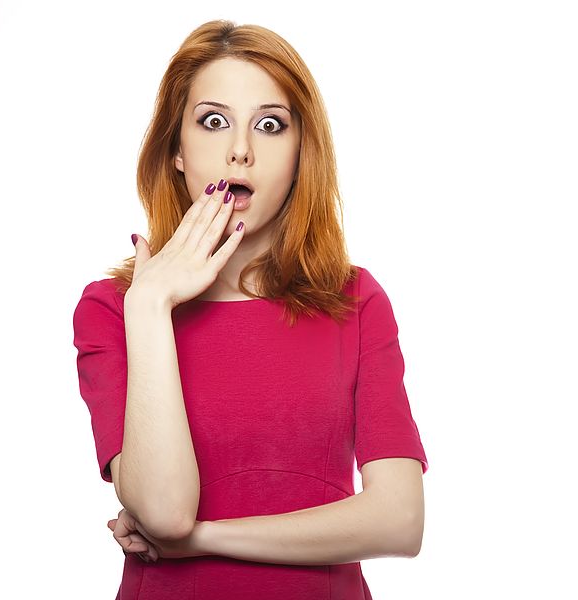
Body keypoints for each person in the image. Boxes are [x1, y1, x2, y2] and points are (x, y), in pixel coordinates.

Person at [72, 19, 429, 600]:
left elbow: (399, 520)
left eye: (270, 125)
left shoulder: (355, 301)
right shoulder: (115, 309)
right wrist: (152, 304)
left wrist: (206, 538)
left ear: (298, 154)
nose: (240, 149)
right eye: (213, 122)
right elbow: (163, 511)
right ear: (177, 152)